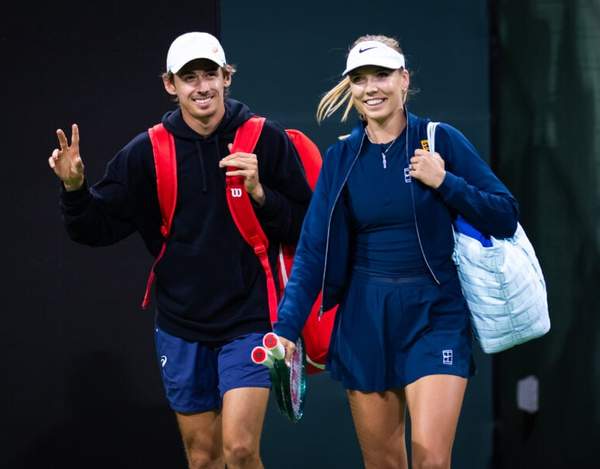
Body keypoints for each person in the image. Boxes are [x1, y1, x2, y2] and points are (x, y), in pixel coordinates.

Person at [48, 31, 311, 469]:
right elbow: (95, 228)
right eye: (190, 77)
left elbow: (305, 225)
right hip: (181, 324)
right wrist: (74, 189)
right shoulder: (146, 152)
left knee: (240, 450)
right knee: (204, 457)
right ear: (171, 85)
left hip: (249, 320)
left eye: (210, 74)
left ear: (227, 77)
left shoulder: (265, 139)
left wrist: (261, 193)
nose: (202, 86)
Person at [273, 35, 519, 469]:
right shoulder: (341, 158)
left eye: (382, 75)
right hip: (364, 322)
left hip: (435, 316)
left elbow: (504, 215)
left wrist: (446, 183)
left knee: (431, 462)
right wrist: (286, 328)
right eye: (360, 79)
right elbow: (313, 251)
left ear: (404, 79)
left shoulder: (440, 141)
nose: (371, 87)